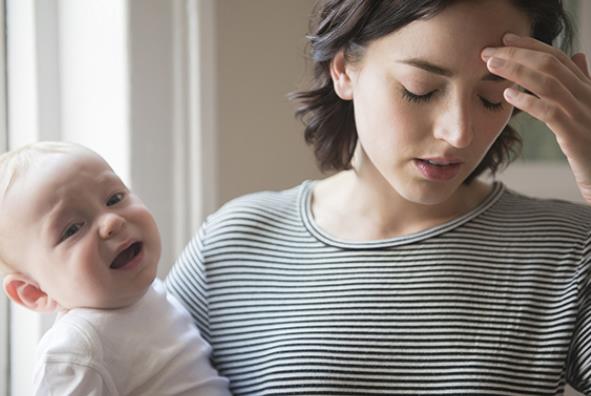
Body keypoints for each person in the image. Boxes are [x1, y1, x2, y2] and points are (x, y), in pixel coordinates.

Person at [166, 0, 591, 395]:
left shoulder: (569, 249)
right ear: (344, 72)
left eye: (490, 97)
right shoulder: (234, 245)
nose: (459, 132)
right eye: (420, 89)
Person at [0, 142, 231, 396]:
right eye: (72, 229)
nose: (111, 222)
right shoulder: (75, 349)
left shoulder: (150, 291)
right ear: (34, 292)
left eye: (114, 198)